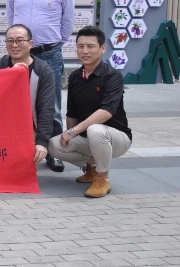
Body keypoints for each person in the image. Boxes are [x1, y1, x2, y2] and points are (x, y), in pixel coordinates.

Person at [7, 0, 75, 172]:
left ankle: (54, 152)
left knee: (52, 105)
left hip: (50, 53)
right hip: (21, 54)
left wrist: (54, 44)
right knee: (18, 103)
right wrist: (19, 45)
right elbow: (11, 20)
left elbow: (67, 22)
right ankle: (20, 148)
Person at [48, 26, 132, 198]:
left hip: (116, 138)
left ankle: (103, 178)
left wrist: (74, 131)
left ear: (103, 48)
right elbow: (72, 112)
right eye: (80, 46)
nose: (85, 51)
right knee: (54, 145)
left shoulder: (112, 76)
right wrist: (69, 134)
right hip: (89, 138)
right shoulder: (75, 77)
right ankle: (92, 168)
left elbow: (106, 112)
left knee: (96, 130)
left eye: (90, 46)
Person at [0, 24, 54, 164]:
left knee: (21, 164)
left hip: (29, 128)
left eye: (19, 40)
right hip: (1, 125)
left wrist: (42, 142)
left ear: (31, 44)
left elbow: (46, 109)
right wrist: (10, 74)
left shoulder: (43, 71)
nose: (14, 45)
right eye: (10, 41)